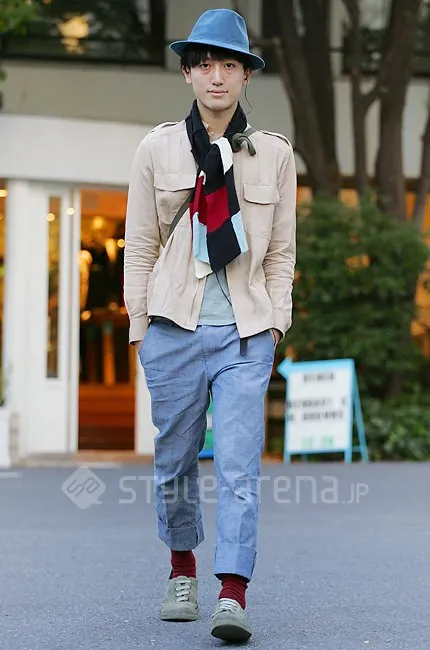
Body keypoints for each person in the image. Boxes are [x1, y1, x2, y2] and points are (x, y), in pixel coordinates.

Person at [124, 8, 296, 643]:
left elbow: (281, 253)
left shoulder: (275, 155)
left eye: (229, 64)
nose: (216, 76)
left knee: (239, 466)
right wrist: (141, 330)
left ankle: (233, 592)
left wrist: (273, 327)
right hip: (173, 329)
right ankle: (181, 569)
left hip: (245, 334)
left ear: (247, 76)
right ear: (188, 73)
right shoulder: (157, 149)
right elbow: (139, 246)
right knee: (174, 462)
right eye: (204, 64)